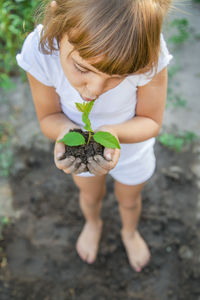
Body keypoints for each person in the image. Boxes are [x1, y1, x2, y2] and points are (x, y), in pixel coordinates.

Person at [16, 0, 173, 272]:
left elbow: (150, 121)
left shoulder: (147, 51)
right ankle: (93, 222)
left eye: (118, 76)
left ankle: (129, 231)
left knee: (130, 199)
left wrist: (111, 134)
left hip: (133, 148)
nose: (96, 89)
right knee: (89, 195)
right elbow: (48, 117)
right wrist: (67, 134)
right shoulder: (41, 52)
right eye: (82, 68)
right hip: (83, 152)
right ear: (58, 18)